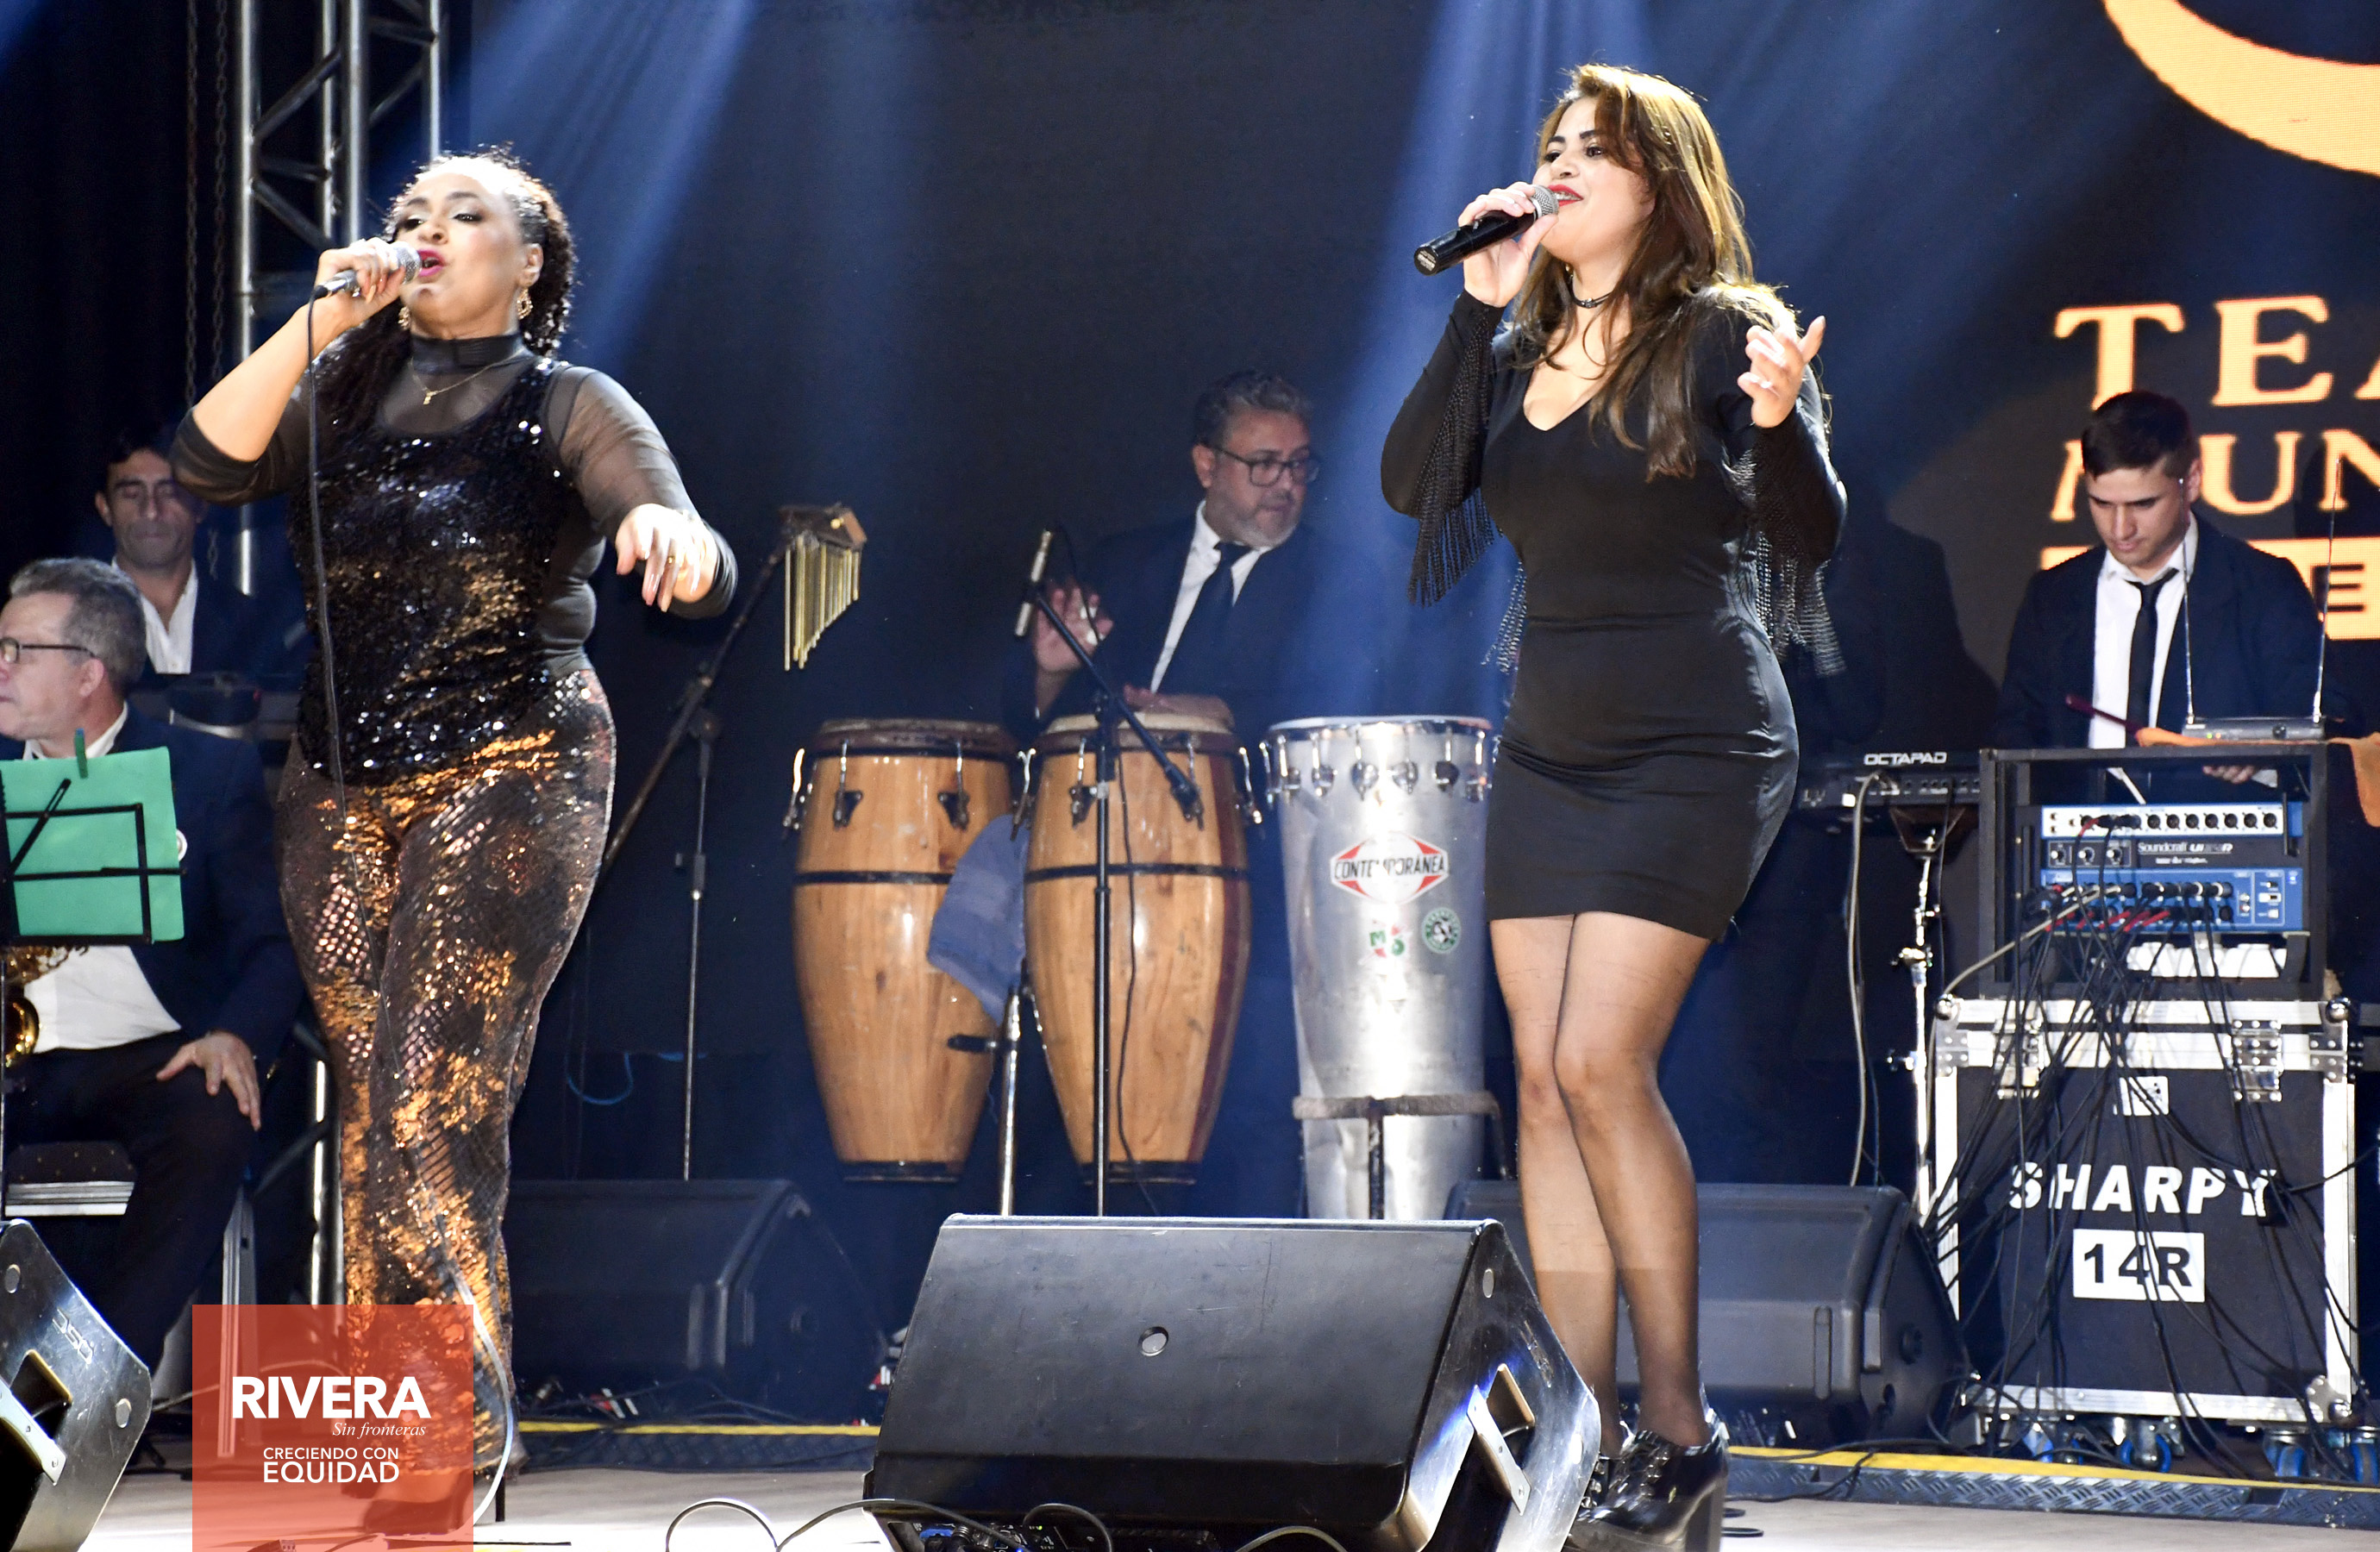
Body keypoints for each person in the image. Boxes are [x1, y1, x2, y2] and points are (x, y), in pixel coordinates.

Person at [173, 148, 736, 1472]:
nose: (426, 229)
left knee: (433, 1091)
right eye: (411, 214)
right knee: (381, 1105)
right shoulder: (336, 395)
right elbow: (204, 465)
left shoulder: (567, 401)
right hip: (339, 782)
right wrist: (321, 321)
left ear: (527, 264)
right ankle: (400, 1430)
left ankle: (448, 1428)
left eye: (463, 214)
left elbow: (682, 533)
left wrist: (677, 543)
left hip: (514, 762)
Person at [1383, 64, 1843, 1548]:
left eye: (1597, 148)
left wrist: (1782, 421)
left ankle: (1682, 1431)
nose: (1563, 165)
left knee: (1599, 1061)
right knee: (1540, 1084)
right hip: (1553, 746)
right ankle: (1583, 1430)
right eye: (1554, 145)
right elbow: (1411, 486)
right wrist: (1474, 307)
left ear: (1660, 186)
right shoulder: (1516, 340)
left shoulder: (1717, 331)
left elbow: (1809, 531)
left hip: (1696, 739)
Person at [1002, 369, 1337, 1217]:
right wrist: (1049, 675)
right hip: (1100, 859)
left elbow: (1338, 704)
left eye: (1299, 465)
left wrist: (1211, 713)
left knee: (1244, 1104)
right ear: (1206, 465)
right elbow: (1037, 726)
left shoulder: (1337, 579)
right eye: (1263, 465)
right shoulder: (1123, 565)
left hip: (1249, 866)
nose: (1285, 485)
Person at [0, 560, 304, 1367]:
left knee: (212, 1116)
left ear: (88, 672)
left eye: (19, 651)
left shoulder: (204, 775)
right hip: (14, 1063)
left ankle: (95, 1382)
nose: (2, 668)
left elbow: (271, 944)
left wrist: (234, 1035)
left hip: (146, 1058)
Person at [1990, 391, 2320, 757]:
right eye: (2102, 503)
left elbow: (2320, 726)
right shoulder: (2052, 596)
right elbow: (2014, 737)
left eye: (2143, 504)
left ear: (2191, 481)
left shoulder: (2264, 587)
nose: (2120, 528)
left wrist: (2253, 754)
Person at [91, 430, 287, 683]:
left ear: (201, 505)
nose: (151, 511)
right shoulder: (68, 623)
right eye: (132, 494)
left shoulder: (254, 624)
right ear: (105, 508)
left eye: (170, 493)